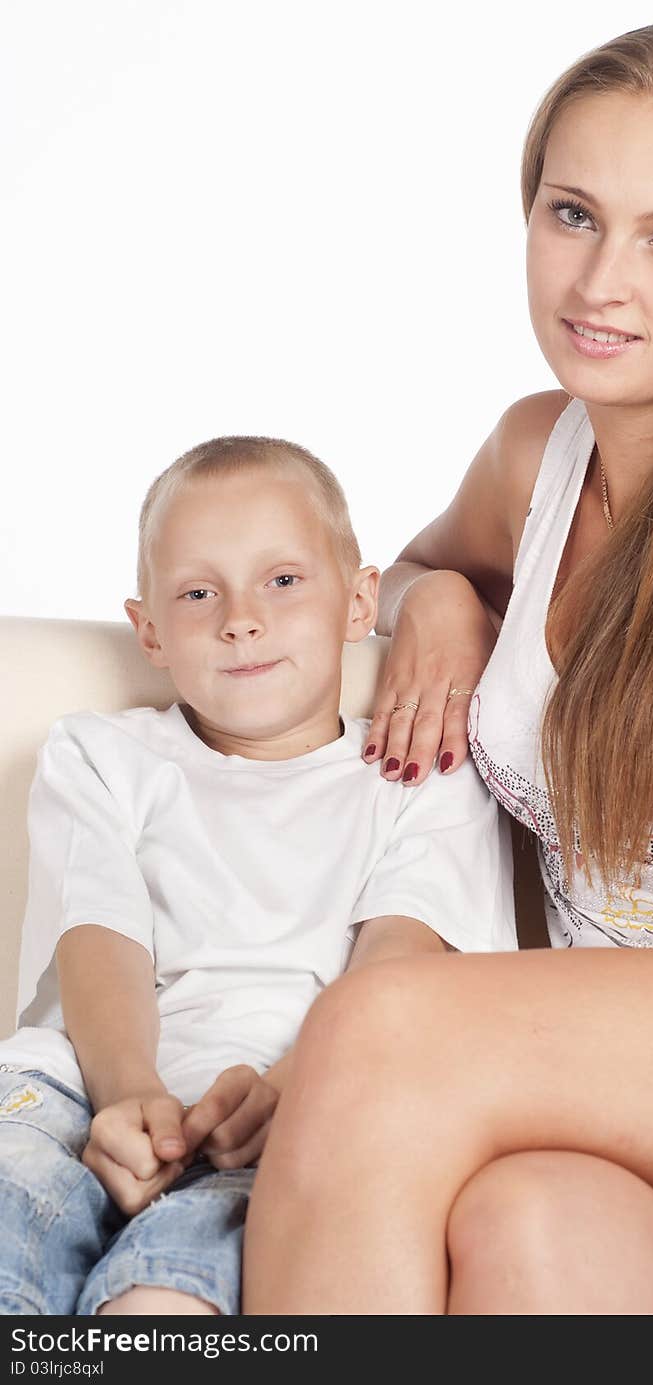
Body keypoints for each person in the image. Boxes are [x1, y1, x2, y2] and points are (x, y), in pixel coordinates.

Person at [242, 21, 653, 1316]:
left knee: (383, 1028)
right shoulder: (536, 459)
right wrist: (435, 609)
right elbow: (422, 565)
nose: (600, 282)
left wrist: (542, 1034)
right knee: (527, 1235)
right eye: (572, 213)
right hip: (642, 1121)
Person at [0, 436, 515, 1317]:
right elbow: (100, 940)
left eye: (282, 581)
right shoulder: (102, 754)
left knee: (166, 1296)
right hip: (80, 1088)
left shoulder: (418, 771)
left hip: (295, 1110)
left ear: (360, 602)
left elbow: (401, 960)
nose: (241, 618)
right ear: (150, 630)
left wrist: (300, 1090)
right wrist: (129, 1095)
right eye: (200, 592)